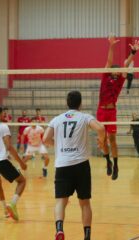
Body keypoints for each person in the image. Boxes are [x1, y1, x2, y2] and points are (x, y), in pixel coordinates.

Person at [43, 91, 105, 240]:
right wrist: (101, 141)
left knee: (60, 202)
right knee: (84, 203)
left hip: (62, 165)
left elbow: (45, 138)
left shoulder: (57, 119)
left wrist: (56, 144)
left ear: (67, 103)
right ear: (80, 103)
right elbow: (101, 128)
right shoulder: (84, 117)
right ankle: (87, 236)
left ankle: (59, 229)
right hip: (81, 165)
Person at [97, 35, 139, 180]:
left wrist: (133, 53)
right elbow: (109, 61)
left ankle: (115, 165)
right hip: (101, 111)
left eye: (118, 70)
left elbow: (126, 64)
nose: (116, 71)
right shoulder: (105, 76)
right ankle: (107, 160)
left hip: (112, 111)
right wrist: (111, 46)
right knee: (102, 141)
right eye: (114, 70)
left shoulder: (120, 80)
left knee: (113, 140)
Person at [0, 106, 27, 221]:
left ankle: (5, 209)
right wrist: (21, 162)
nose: (4, 115)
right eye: (3, 113)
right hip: (0, 160)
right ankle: (12, 203)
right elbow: (9, 146)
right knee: (22, 181)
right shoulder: (3, 126)